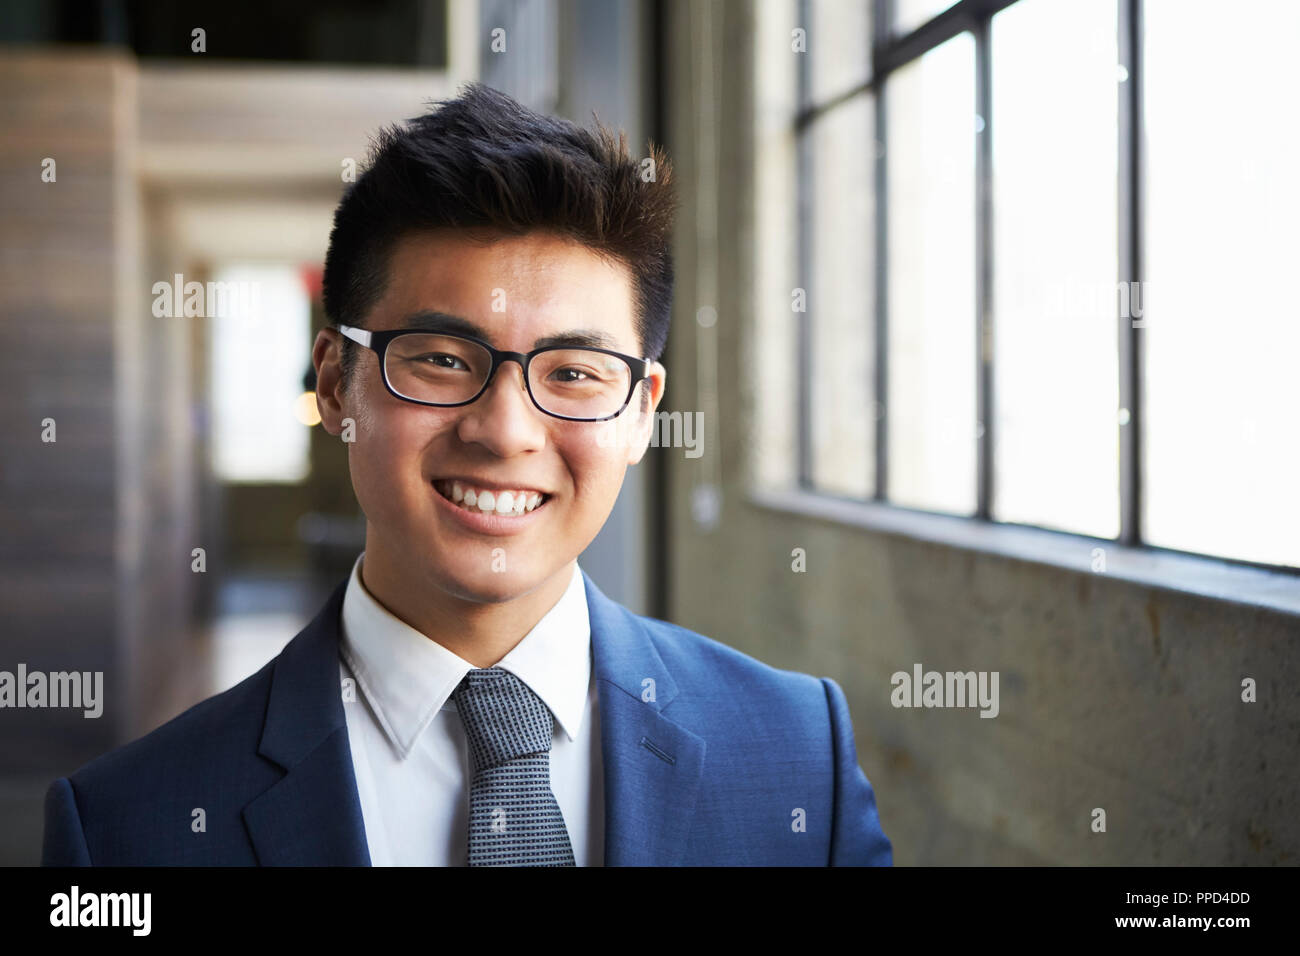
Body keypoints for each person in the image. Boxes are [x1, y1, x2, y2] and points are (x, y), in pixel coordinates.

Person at [41, 83, 892, 866]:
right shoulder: (126, 829)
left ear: (640, 412)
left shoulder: (795, 758)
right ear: (337, 384)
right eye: (444, 360)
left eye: (573, 373)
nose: (505, 431)